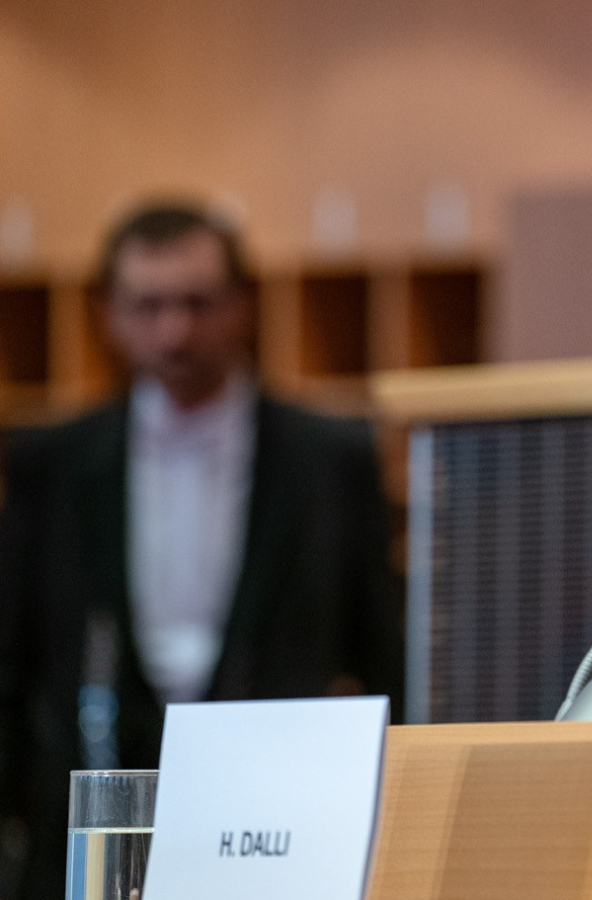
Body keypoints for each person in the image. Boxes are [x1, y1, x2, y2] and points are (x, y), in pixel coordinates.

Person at [0, 202, 404, 900]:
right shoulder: (53, 461)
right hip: (91, 828)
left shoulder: (330, 458)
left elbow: (383, 652)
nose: (175, 330)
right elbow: (11, 660)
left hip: (278, 825)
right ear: (109, 314)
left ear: (243, 306)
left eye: (197, 303)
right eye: (149, 305)